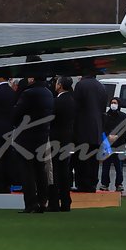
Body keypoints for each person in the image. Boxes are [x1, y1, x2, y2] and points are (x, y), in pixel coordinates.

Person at [11, 75, 54, 212]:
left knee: (27, 171)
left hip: (26, 137)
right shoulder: (48, 92)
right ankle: (43, 201)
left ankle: (30, 203)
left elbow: (16, 114)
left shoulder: (28, 93)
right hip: (42, 135)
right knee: (40, 170)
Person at [71, 72, 107, 192]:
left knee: (82, 159)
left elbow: (75, 107)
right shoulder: (101, 87)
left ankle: (82, 184)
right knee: (93, 160)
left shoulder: (81, 85)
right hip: (97, 128)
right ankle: (92, 184)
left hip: (83, 127)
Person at [51, 76, 76, 209]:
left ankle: (54, 201)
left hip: (56, 138)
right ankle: (66, 201)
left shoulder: (56, 101)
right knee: (64, 171)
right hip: (67, 138)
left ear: (60, 85)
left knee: (55, 171)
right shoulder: (72, 100)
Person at [100, 96, 126, 191]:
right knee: (106, 166)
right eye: (112, 102)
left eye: (115, 103)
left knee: (119, 166)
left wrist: (117, 136)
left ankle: (119, 184)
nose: (113, 104)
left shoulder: (123, 116)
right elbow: (101, 129)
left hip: (119, 145)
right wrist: (108, 137)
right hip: (107, 145)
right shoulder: (105, 116)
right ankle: (104, 184)